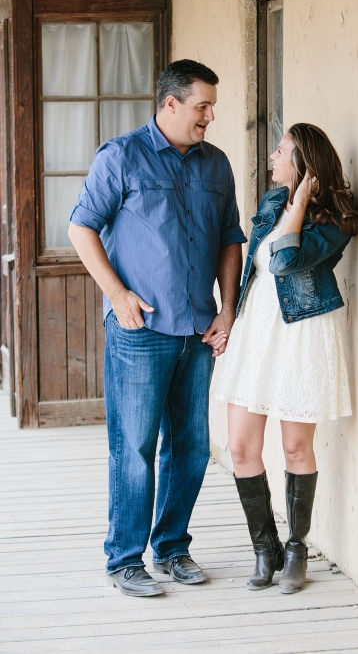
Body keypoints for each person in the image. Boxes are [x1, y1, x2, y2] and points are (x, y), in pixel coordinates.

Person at [68, 60, 245, 597]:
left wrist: (228, 308)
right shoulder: (120, 156)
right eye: (202, 106)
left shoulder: (216, 165)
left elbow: (230, 239)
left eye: (212, 106)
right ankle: (124, 559)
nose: (210, 116)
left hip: (197, 330)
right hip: (140, 330)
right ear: (170, 104)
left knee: (190, 446)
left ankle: (172, 547)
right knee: (135, 446)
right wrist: (116, 294)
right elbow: (81, 227)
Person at [215, 123, 358, 594]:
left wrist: (300, 204)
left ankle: (297, 548)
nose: (272, 157)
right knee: (240, 446)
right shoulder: (270, 202)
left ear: (304, 166)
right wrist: (230, 317)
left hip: (303, 331)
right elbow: (253, 266)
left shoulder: (337, 218)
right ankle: (266, 548)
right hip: (258, 330)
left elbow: (282, 261)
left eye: (281, 151)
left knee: (297, 446)